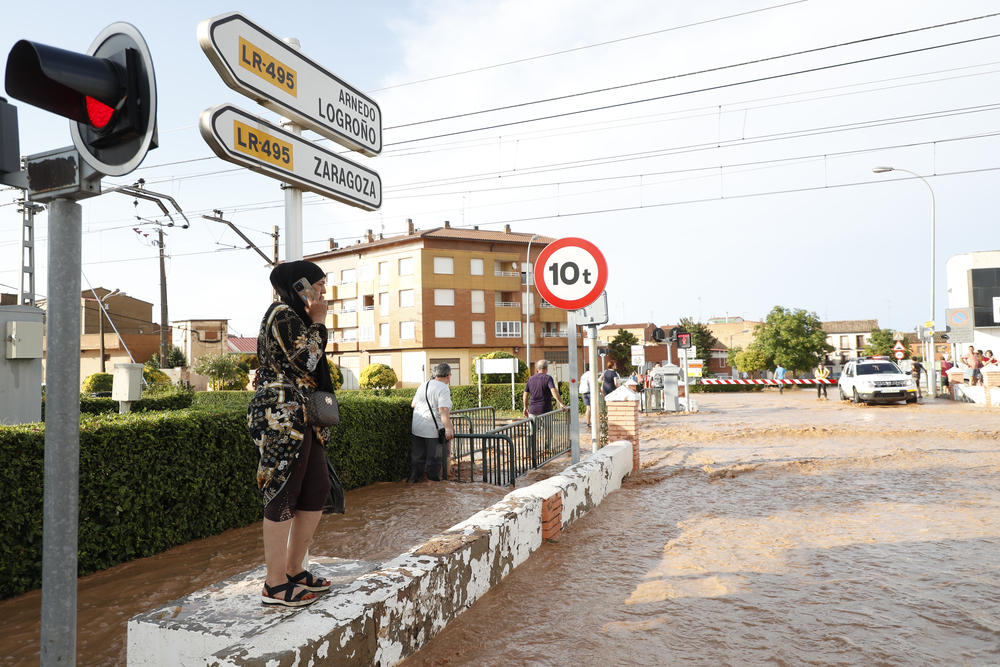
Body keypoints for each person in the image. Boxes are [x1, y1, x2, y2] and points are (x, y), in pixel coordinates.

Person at [248, 261, 334, 608]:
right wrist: (319, 322)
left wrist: (313, 323)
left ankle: (294, 569)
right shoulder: (283, 312)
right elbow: (307, 361)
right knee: (283, 490)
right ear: (300, 287)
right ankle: (274, 584)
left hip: (302, 414)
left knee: (316, 489)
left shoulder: (293, 318)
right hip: (282, 414)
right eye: (319, 285)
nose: (323, 292)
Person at [410, 363, 454, 483]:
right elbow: (443, 409)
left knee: (418, 459)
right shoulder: (443, 388)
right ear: (448, 376)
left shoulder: (423, 385)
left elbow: (413, 404)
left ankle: (413, 484)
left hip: (417, 428)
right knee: (434, 460)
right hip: (433, 431)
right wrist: (448, 428)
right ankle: (434, 490)